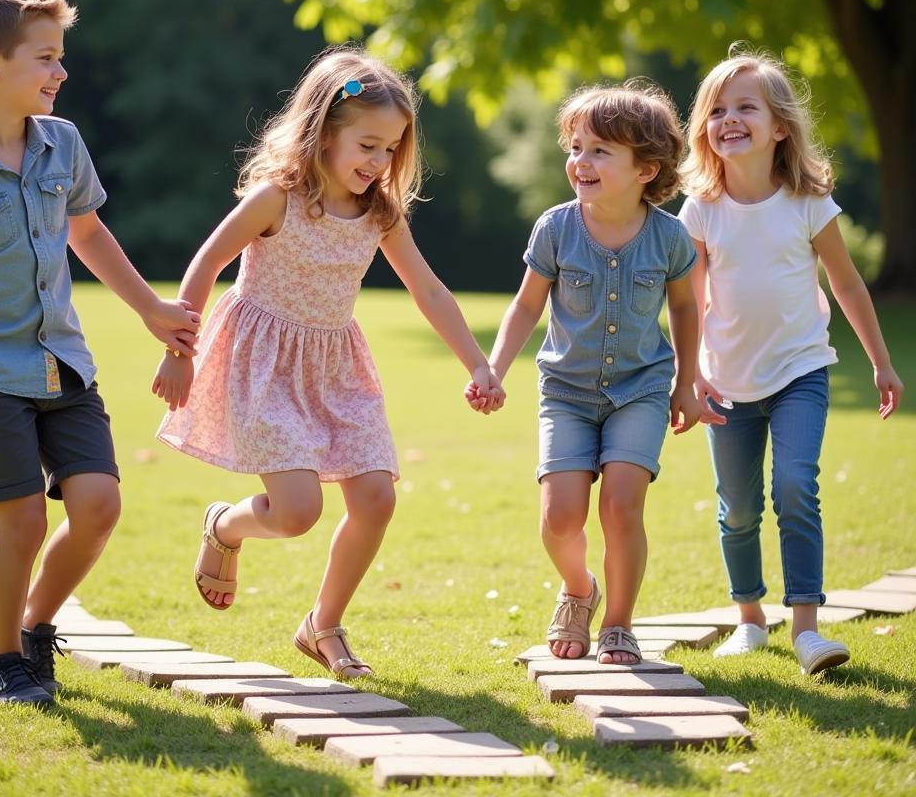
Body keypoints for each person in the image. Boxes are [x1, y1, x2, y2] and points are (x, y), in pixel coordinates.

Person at [152, 45, 502, 678]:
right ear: (323, 132)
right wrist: (180, 349)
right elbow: (205, 264)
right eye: (367, 144)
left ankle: (323, 625)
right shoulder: (276, 199)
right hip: (262, 364)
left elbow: (428, 290)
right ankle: (226, 527)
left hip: (337, 367)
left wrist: (478, 364)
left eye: (392, 148)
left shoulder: (381, 214)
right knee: (298, 512)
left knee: (376, 497)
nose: (380, 161)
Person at [0, 0, 200, 704]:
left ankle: (35, 627)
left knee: (98, 505)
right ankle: (2, 663)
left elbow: (88, 233)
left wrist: (150, 310)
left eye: (61, 56)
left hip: (65, 367)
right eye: (46, 57)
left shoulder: (62, 145)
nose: (61, 71)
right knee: (24, 522)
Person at [471, 83, 718, 665]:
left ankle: (618, 626)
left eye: (600, 151)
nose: (581, 161)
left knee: (622, 505)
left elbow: (685, 306)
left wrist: (687, 380)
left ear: (645, 169)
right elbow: (526, 306)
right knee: (560, 518)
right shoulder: (556, 229)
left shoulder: (670, 236)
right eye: (576, 147)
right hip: (567, 392)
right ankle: (579, 590)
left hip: (643, 388)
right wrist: (494, 368)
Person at [680, 47, 904, 675]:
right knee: (739, 505)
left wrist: (882, 363)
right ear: (705, 128)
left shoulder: (809, 203)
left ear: (780, 125)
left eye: (745, 107)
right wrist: (688, 375)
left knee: (795, 486)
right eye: (717, 109)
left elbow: (849, 286)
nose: (730, 119)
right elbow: (689, 301)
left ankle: (806, 626)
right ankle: (750, 619)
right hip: (725, 381)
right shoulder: (700, 210)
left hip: (800, 372)